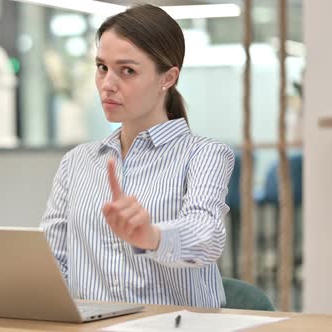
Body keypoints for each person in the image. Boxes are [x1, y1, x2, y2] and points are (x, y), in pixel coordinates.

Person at [40, 4, 234, 308]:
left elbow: (205, 237)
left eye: (127, 71)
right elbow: (54, 262)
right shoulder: (77, 161)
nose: (107, 84)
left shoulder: (204, 155)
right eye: (102, 67)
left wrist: (153, 236)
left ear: (167, 78)